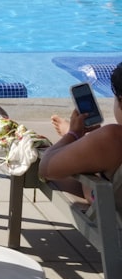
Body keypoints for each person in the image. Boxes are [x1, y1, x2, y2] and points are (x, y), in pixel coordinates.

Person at [38, 62, 122, 201]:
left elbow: (46, 168)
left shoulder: (113, 138)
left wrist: (73, 135)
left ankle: (79, 141)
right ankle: (83, 143)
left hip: (112, 214)